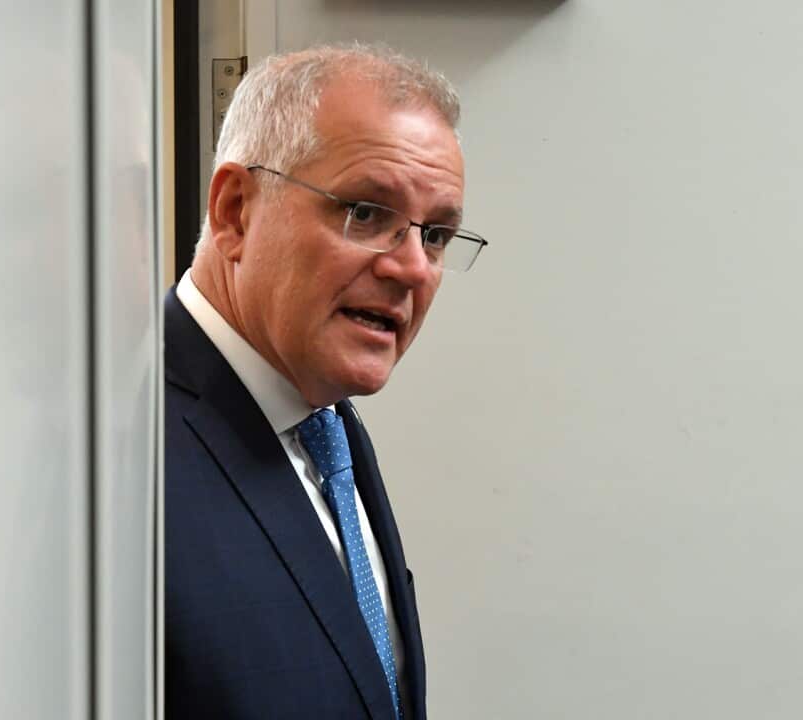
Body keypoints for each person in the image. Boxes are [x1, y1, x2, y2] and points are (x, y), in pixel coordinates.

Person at [165, 43, 487, 719]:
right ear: (235, 211)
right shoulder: (121, 449)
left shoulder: (326, 427)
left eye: (434, 236)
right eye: (366, 213)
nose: (414, 269)